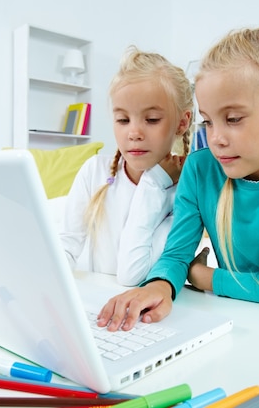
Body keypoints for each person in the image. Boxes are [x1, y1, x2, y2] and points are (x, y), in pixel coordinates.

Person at [97, 27, 259, 331]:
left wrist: (204, 277)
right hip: (241, 320)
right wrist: (159, 286)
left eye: (233, 119)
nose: (215, 138)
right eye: (208, 121)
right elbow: (176, 255)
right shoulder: (200, 168)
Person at [60, 46, 193, 286]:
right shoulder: (94, 171)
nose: (133, 133)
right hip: (95, 306)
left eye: (151, 119)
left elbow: (131, 274)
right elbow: (66, 246)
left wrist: (153, 182)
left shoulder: (184, 192)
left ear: (182, 123)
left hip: (138, 311)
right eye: (122, 119)